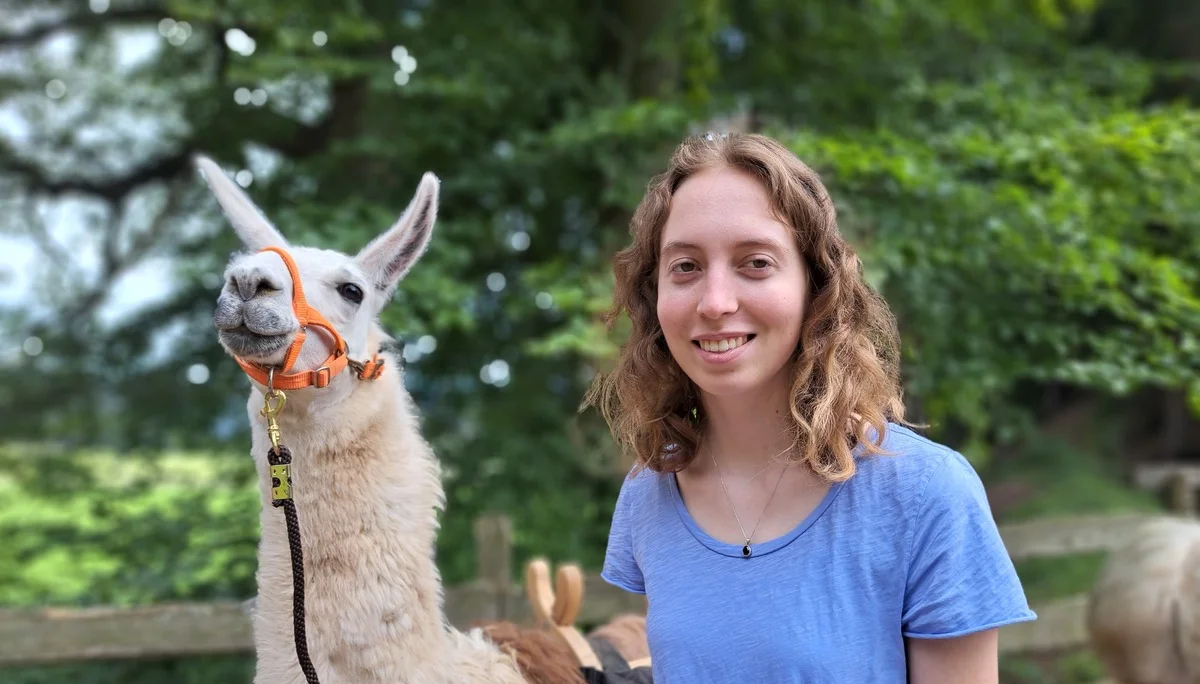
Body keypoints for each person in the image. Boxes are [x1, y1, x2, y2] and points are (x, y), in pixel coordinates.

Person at [583, 132, 1036, 683]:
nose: (715, 302)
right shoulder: (648, 494)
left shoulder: (926, 495)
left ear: (815, 286)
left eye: (755, 262)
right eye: (686, 266)